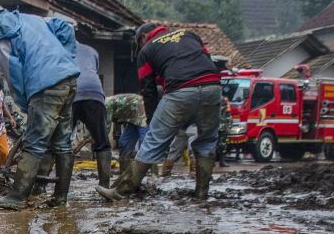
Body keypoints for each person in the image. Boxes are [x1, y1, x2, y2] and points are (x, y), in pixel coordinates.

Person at [0, 0, 80, 209]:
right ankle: (60, 197)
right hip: (68, 77)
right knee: (63, 142)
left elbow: (12, 70)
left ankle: (17, 197)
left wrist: (24, 100)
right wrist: (64, 59)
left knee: (35, 142)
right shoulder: (30, 19)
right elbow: (65, 29)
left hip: (44, 84)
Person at [97, 23, 223, 203]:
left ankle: (120, 192)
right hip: (213, 86)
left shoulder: (147, 50)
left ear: (142, 38)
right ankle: (201, 194)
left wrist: (152, 120)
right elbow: (207, 59)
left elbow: (147, 90)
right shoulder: (189, 35)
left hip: (180, 89)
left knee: (152, 142)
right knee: (207, 141)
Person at [73, 42, 114, 188]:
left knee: (61, 143)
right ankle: (104, 186)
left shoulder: (60, 48)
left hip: (71, 93)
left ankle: (58, 192)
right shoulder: (91, 49)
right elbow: (93, 70)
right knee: (102, 142)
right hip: (95, 93)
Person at [104, 93, 147, 169]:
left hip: (140, 110)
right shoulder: (105, 103)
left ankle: (149, 173)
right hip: (132, 117)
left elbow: (106, 127)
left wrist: (100, 142)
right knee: (124, 142)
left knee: (144, 142)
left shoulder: (106, 104)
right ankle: (125, 170)